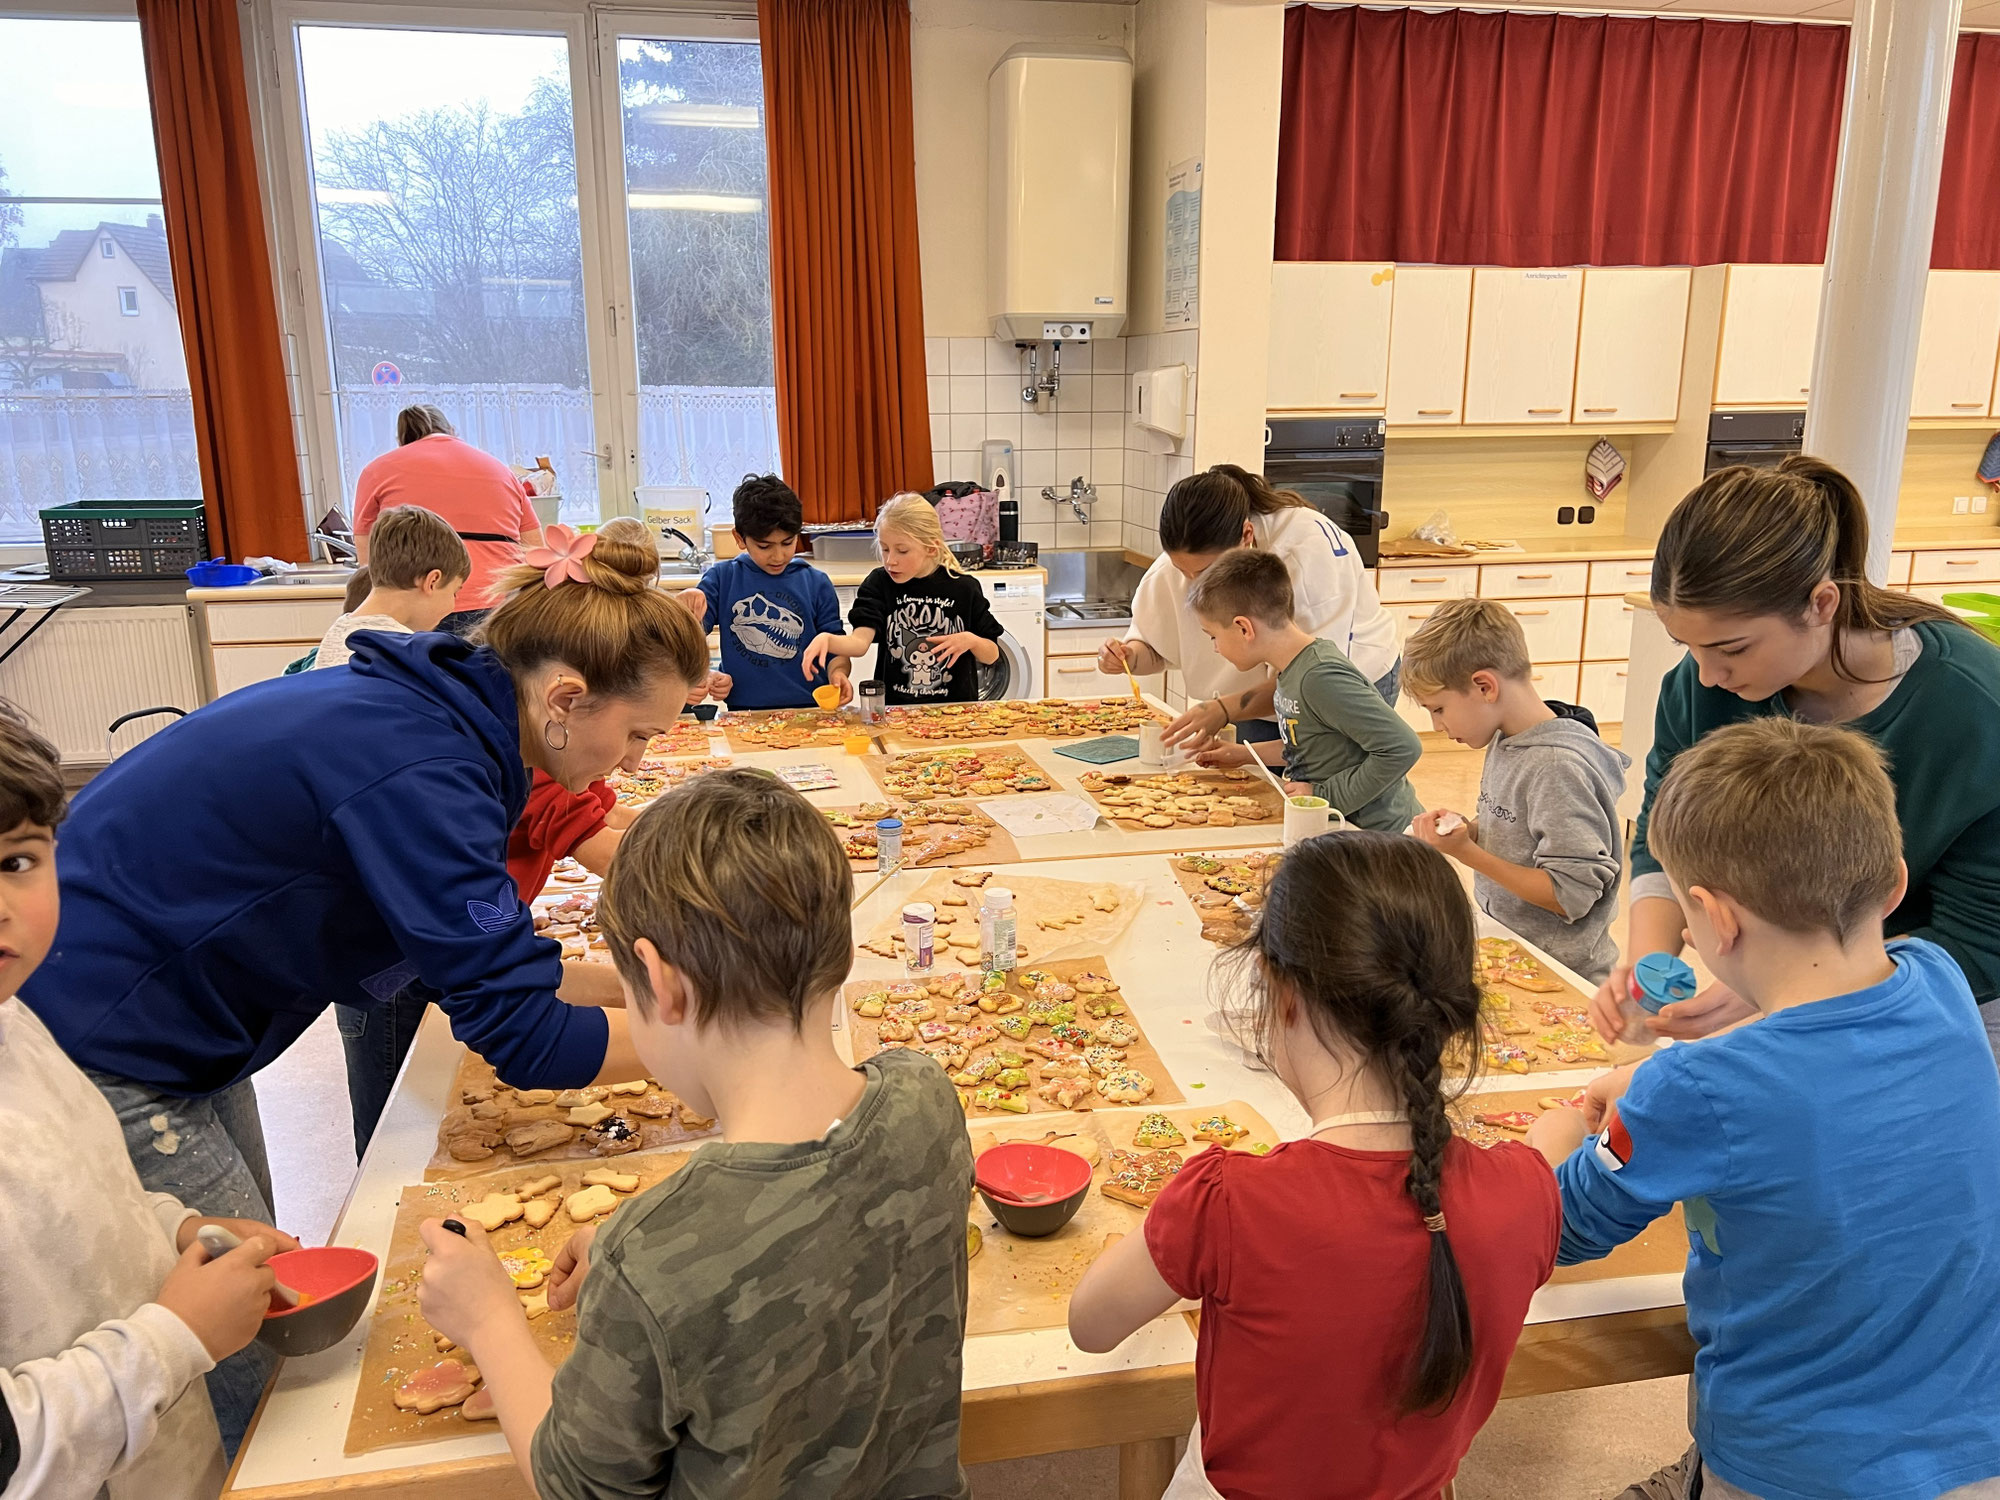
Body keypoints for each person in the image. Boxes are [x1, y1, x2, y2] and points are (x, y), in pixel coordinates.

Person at [20, 523, 705, 1450]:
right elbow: (523, 1035)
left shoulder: (446, 718)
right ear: (565, 699)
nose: (634, 763)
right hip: (109, 1023)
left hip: (180, 1005)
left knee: (251, 1270)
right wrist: (708, 1048)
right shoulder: (427, 766)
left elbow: (492, 968)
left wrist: (653, 991)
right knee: (230, 1341)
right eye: (637, 734)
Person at [417, 770, 974, 1498]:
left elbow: (575, 1485)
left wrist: (489, 1318)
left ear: (661, 983)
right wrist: (657, 1252)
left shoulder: (649, 1261)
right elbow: (817, 1229)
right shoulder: (925, 1095)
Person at [1530, 718, 2000, 1500]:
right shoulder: (1937, 975)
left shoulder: (1698, 1091)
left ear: (1715, 918)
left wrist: (1548, 1141)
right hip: (1974, 1447)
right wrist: (1656, 1075)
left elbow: (1556, 1230)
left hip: (1793, 1467)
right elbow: (1820, 1056)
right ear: (1893, 884)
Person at [1068, 832, 1558, 1499]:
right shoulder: (1527, 1191)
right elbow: (1532, 1170)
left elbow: (1091, 1325)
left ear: (1281, 993)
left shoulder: (1227, 1200)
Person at [1587, 457, 2000, 1054]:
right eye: (1688, 646)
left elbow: (1982, 938)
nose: (1707, 676)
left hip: (1954, 999)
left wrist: (1775, 980)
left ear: (1822, 603)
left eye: (1732, 648)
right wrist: (1648, 969)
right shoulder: (1701, 688)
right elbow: (1662, 832)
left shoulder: (1974, 710)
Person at [0, 706, 301, 1492]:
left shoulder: (16, 1021)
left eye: (15, 862)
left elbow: (80, 1192)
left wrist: (175, 1228)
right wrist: (176, 1337)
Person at [1405, 598, 1630, 983]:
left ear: (1484, 687)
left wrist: (1467, 853)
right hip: (1515, 951)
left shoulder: (1556, 767)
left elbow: (1570, 895)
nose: (1437, 726)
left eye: (1438, 709)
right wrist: (1470, 831)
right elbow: (1517, 824)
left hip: (1559, 974)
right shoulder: (1508, 738)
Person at [1098, 465, 1399, 746]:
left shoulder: (1305, 557)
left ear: (1246, 535)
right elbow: (1156, 648)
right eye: (1181, 570)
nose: (1193, 583)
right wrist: (1128, 657)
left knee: (1321, 774)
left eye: (1203, 572)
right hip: (1251, 698)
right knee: (1255, 772)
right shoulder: (1181, 563)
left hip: (1346, 685)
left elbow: (1312, 682)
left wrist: (1224, 709)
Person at [1183, 548, 1421, 833]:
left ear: (1244, 628)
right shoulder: (1292, 670)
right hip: (1341, 828)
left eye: (1213, 636)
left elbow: (1402, 748)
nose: (1215, 648)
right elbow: (1311, 748)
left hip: (1381, 835)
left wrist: (1322, 796)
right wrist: (1243, 754)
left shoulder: (1320, 677)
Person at [352, 404, 542, 632]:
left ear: (401, 439)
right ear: (452, 431)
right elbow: (534, 548)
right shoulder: (499, 469)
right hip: (499, 601)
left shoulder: (377, 470)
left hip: (421, 603)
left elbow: (368, 562)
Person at [802, 493, 1001, 703]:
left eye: (902, 551)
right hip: (895, 712)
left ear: (931, 548)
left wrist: (970, 641)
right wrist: (828, 639)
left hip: (955, 712)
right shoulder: (879, 584)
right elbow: (859, 643)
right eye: (885, 549)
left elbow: (992, 655)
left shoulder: (964, 588)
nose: (890, 561)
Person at [681, 474, 851, 708]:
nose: (778, 556)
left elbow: (837, 648)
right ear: (740, 538)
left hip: (812, 710)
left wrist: (838, 673)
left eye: (787, 543)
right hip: (743, 714)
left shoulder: (816, 583)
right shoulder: (722, 579)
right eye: (764, 546)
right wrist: (682, 610)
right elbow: (687, 638)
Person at [311, 505, 470, 670]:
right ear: (432, 581)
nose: (453, 606)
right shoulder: (405, 653)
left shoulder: (337, 633)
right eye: (454, 592)